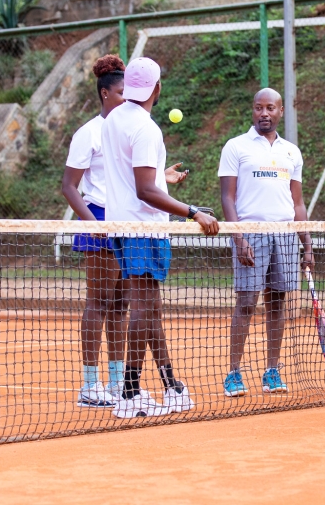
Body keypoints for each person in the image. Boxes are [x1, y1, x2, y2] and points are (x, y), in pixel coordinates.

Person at [61, 55, 191, 408]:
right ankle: (92, 385)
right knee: (101, 302)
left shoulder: (123, 124)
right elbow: (70, 185)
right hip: (104, 218)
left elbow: (133, 175)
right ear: (105, 93)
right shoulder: (93, 131)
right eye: (119, 92)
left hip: (127, 217)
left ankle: (120, 381)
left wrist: (162, 176)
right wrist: (93, 223)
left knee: (123, 305)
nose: (124, 98)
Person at [101, 56, 220, 418]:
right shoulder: (146, 128)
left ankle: (171, 386)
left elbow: (136, 177)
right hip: (143, 226)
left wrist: (160, 176)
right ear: (157, 89)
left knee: (149, 306)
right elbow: (144, 190)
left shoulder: (113, 118)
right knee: (143, 306)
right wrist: (193, 211)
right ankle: (130, 392)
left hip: (122, 224)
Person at [218, 88, 314, 397]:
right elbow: (227, 197)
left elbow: (297, 203)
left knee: (277, 303)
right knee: (246, 302)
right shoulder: (235, 147)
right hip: (250, 232)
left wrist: (307, 244)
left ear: (280, 111)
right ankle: (234, 373)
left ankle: (272, 371)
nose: (264, 113)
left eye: (270, 108)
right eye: (259, 107)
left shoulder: (292, 152)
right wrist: (238, 237)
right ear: (253, 110)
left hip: (285, 234)